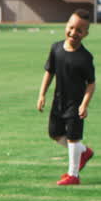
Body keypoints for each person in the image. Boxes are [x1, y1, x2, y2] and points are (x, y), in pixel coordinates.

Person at [36, 9, 96, 186]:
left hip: (75, 104)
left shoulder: (85, 58)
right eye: (71, 28)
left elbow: (91, 84)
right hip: (59, 101)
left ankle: (73, 175)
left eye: (79, 30)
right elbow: (49, 72)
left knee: (73, 137)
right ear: (66, 26)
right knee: (54, 133)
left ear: (85, 34)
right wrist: (42, 94)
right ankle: (83, 152)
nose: (73, 33)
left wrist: (84, 104)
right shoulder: (56, 48)